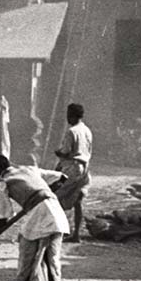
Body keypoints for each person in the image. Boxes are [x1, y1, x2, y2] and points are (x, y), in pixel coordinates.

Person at [0, 154, 68, 281]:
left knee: (26, 259)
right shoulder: (29, 169)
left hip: (40, 216)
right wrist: (50, 190)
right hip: (56, 213)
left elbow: (3, 218)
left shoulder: (3, 184)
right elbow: (62, 177)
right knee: (52, 260)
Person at [54, 102, 93, 243]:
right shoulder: (87, 130)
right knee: (78, 201)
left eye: (68, 116)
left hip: (72, 167)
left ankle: (61, 231)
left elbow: (65, 152)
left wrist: (58, 153)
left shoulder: (72, 132)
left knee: (56, 198)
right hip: (85, 168)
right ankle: (76, 234)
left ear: (71, 116)